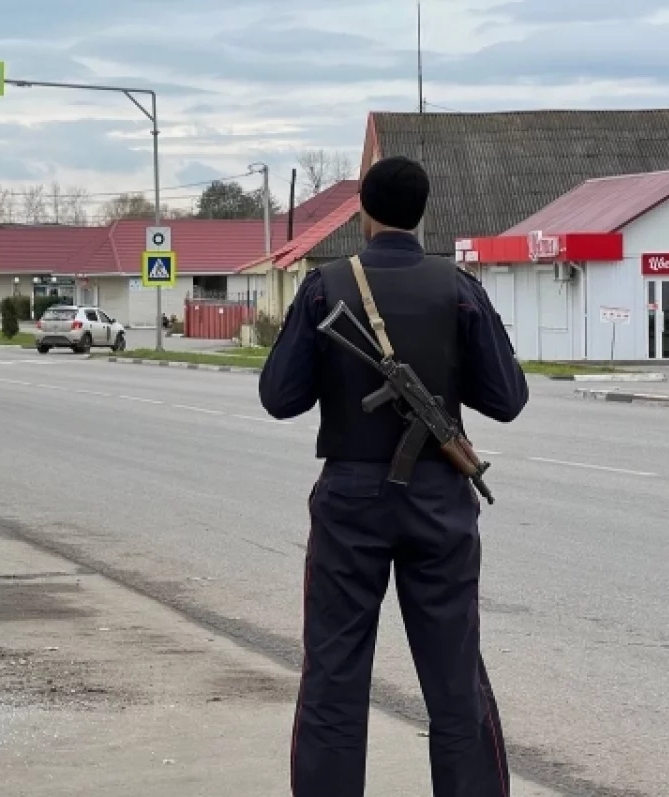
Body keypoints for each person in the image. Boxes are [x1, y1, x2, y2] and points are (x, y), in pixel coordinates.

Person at [259, 155, 528, 797]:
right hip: (439, 500)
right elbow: (508, 398)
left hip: (351, 499)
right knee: (455, 680)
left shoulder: (326, 286)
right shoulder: (458, 286)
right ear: (422, 213)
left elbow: (280, 396)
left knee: (333, 677)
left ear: (364, 213)